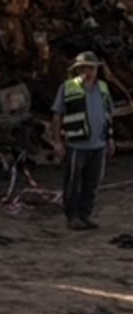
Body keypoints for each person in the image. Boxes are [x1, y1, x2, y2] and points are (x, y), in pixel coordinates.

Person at [51, 51, 115, 230]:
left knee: (92, 182)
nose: (89, 71)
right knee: (72, 182)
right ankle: (72, 216)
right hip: (76, 144)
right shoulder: (68, 87)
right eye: (86, 67)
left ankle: (85, 215)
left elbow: (108, 114)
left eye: (92, 67)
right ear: (78, 69)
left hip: (99, 144)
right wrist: (57, 142)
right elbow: (57, 116)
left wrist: (110, 138)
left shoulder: (103, 88)